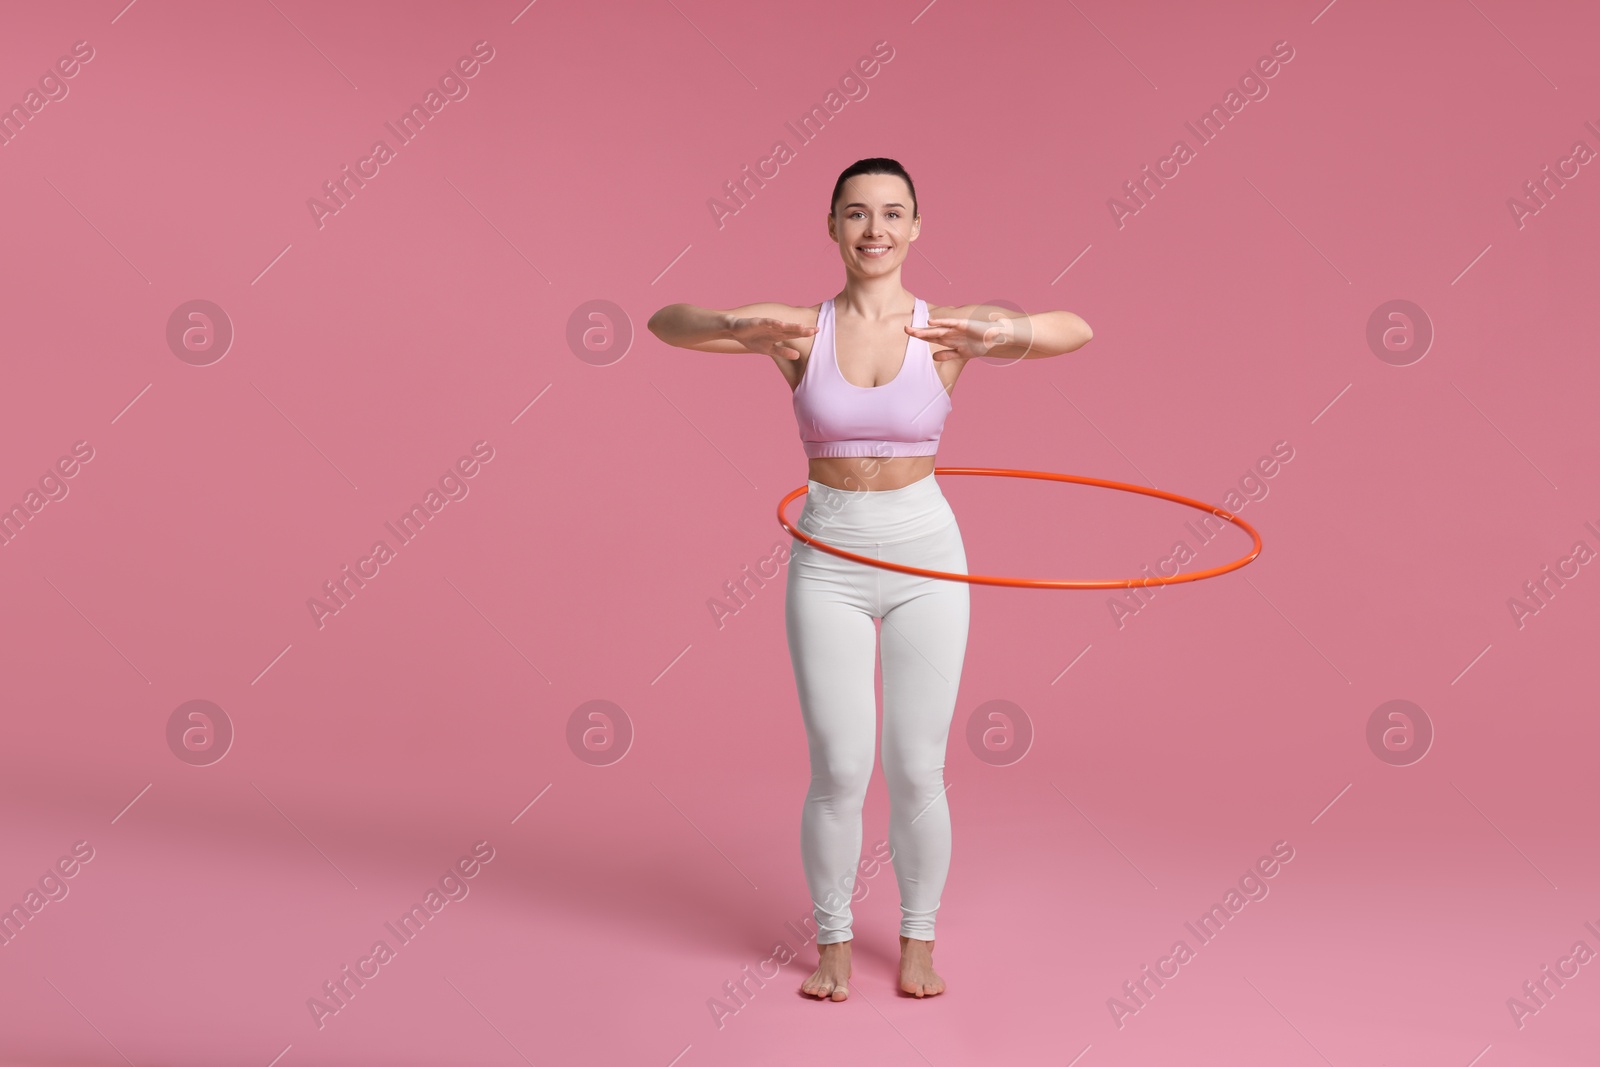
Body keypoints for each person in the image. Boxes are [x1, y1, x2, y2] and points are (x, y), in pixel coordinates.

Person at [648, 158, 1094, 1000]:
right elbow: (665, 322)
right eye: (856, 214)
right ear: (832, 227)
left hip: (925, 555)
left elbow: (1076, 328)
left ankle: (918, 940)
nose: (875, 230)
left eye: (893, 214)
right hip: (829, 559)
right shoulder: (798, 330)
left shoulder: (946, 329)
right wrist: (734, 323)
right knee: (840, 765)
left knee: (918, 765)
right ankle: (835, 944)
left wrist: (1003, 335)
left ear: (917, 227)